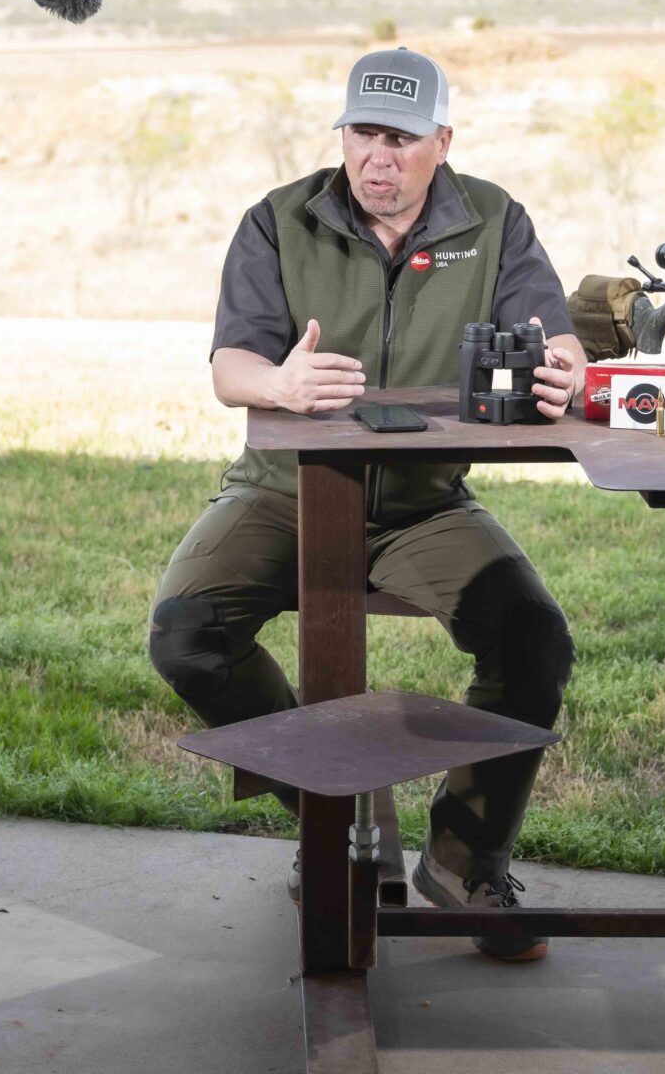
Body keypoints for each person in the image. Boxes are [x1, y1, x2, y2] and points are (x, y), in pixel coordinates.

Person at [149, 48, 585, 962]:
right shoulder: (278, 220)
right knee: (187, 634)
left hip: (426, 506)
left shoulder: (495, 220)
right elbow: (231, 371)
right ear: (341, 134)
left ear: (442, 142)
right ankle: (328, 820)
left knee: (533, 638)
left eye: (400, 137)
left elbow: (558, 338)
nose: (376, 158)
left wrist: (563, 369)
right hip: (287, 493)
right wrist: (280, 380)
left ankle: (465, 863)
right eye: (361, 134)